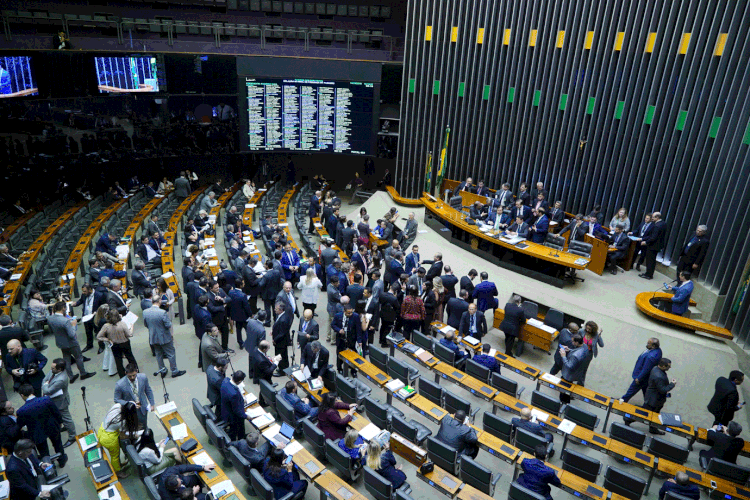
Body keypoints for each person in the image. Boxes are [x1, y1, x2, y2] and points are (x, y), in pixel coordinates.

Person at [16, 384, 67, 467]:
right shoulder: (46, 399)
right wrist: (60, 423)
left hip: (37, 433)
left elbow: (20, 425)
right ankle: (62, 461)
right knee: (58, 445)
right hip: (52, 427)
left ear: (22, 395)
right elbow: (56, 413)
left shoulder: (21, 410)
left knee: (44, 452)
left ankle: (49, 467)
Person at [48, 301, 95, 382]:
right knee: (79, 358)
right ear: (63, 308)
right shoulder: (65, 321)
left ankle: (71, 377)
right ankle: (83, 374)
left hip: (61, 343)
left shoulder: (50, 318)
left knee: (66, 359)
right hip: (71, 343)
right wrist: (73, 325)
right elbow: (72, 334)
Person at [627, 358, 675, 434]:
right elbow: (663, 389)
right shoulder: (659, 376)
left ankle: (653, 428)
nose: (669, 368)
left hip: (652, 398)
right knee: (644, 413)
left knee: (652, 414)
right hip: (654, 400)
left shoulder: (655, 368)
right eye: (668, 366)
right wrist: (672, 384)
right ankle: (628, 419)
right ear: (662, 366)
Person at [144, 297, 186, 378]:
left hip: (153, 337)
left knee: (158, 354)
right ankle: (174, 371)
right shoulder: (162, 312)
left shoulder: (145, 312)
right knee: (170, 354)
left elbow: (146, 325)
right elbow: (168, 325)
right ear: (159, 301)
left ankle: (162, 370)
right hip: (164, 337)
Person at [40, 358, 76, 448]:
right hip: (54, 400)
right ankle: (65, 427)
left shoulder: (61, 379)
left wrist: (45, 385)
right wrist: (45, 384)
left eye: (53, 368)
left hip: (61, 402)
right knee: (60, 416)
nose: (51, 370)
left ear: (59, 369)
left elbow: (48, 390)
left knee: (67, 419)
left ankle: (72, 437)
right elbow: (44, 379)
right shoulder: (54, 371)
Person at [620, 338, 662, 403]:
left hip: (641, 377)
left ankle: (622, 401)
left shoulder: (651, 356)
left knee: (631, 391)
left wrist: (639, 378)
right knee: (646, 394)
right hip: (646, 378)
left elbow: (646, 369)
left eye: (648, 343)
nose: (647, 344)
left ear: (653, 346)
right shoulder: (656, 350)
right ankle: (649, 406)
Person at [97, 309, 136, 378]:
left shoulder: (106, 326)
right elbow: (129, 334)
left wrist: (108, 339)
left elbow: (99, 336)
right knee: (130, 358)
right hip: (125, 343)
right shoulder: (122, 324)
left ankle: (122, 376)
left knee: (118, 361)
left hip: (114, 345)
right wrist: (131, 327)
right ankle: (135, 371)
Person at [114, 364, 156, 430]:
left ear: (137, 371)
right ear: (126, 373)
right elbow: (116, 399)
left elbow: (148, 390)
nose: (132, 378)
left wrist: (152, 403)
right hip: (130, 412)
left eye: (134, 375)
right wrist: (130, 404)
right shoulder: (119, 384)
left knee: (143, 427)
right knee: (132, 429)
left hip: (143, 409)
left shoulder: (143, 377)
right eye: (130, 376)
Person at [221, 370, 250, 441]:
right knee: (235, 428)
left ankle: (241, 436)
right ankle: (238, 440)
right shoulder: (234, 394)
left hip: (225, 408)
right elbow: (237, 411)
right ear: (239, 381)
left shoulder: (226, 380)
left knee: (236, 428)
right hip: (232, 416)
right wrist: (246, 416)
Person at [558, 335, 588, 404]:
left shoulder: (575, 355)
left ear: (577, 342)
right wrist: (570, 350)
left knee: (563, 391)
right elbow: (577, 352)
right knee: (567, 390)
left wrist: (563, 356)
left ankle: (564, 403)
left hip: (568, 375)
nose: (571, 342)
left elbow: (569, 366)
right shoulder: (585, 346)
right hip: (577, 371)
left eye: (573, 341)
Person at [639, 211, 667, 280]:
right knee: (652, 261)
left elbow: (653, 237)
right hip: (657, 246)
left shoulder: (657, 226)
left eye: (653, 217)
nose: (652, 219)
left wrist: (645, 242)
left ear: (657, 217)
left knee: (650, 261)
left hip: (653, 246)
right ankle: (649, 273)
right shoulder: (663, 223)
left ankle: (648, 275)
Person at [578, 320, 603, 385]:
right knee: (575, 365)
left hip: (588, 354)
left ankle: (580, 384)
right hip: (579, 351)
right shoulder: (581, 331)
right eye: (587, 328)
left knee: (583, 369)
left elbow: (602, 345)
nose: (587, 330)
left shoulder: (596, 335)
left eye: (589, 329)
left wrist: (599, 336)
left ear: (593, 330)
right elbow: (575, 339)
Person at [272, 302, 292, 375]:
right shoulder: (281, 315)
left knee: (281, 356)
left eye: (276, 309)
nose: (274, 310)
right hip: (281, 341)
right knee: (283, 355)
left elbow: (282, 333)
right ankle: (283, 368)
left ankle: (282, 370)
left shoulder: (283, 319)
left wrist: (275, 339)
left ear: (281, 310)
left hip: (281, 342)